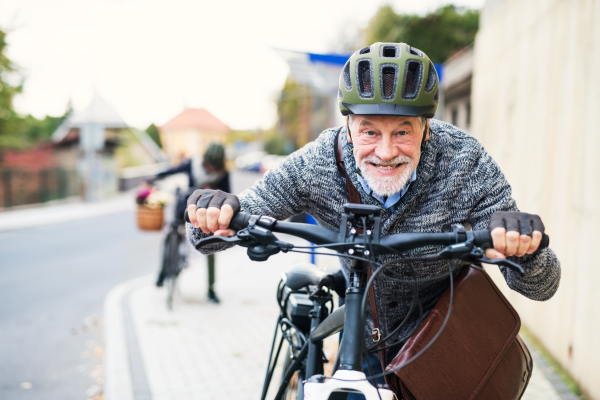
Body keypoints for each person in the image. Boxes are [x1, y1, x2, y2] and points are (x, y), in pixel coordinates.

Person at [185, 42, 561, 391]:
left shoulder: (465, 162)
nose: (385, 151)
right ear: (348, 127)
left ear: (427, 128)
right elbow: (208, 236)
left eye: (402, 131)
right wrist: (214, 211)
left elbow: (542, 286)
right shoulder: (317, 164)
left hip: (448, 340)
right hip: (367, 337)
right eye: (369, 131)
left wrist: (524, 249)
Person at [153, 142, 230, 303]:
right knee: (170, 233)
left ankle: (211, 290)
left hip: (206, 218)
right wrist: (155, 177)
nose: (210, 169)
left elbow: (228, 196)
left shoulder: (223, 174)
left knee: (211, 248)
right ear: (204, 161)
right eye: (208, 165)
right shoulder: (192, 165)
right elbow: (174, 170)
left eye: (214, 167)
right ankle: (162, 274)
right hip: (185, 208)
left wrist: (213, 192)